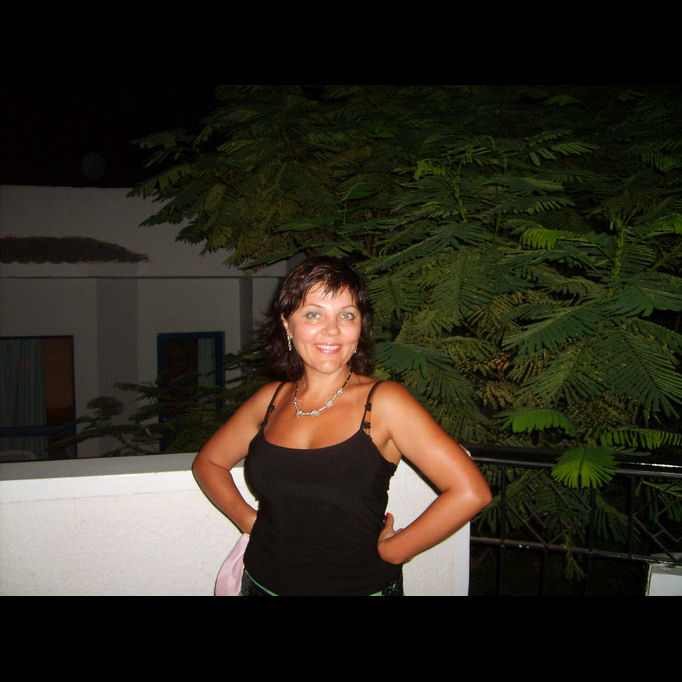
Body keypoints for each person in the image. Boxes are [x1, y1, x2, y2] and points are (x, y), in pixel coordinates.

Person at [192, 257, 492, 595]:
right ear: (288, 325)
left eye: (346, 315)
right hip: (261, 584)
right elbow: (209, 462)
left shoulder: (384, 403)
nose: (332, 330)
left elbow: (470, 492)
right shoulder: (269, 400)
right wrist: (248, 520)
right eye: (313, 314)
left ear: (360, 326)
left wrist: (396, 551)